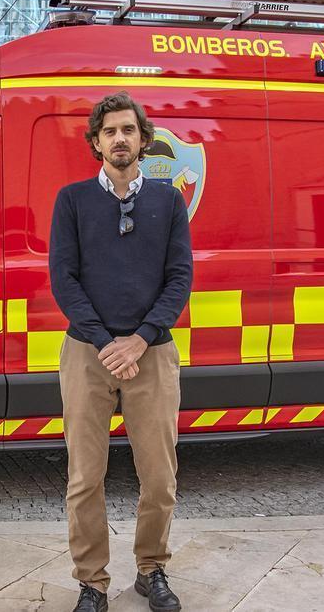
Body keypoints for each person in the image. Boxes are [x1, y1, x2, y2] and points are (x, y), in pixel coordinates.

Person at [50, 92, 193, 612]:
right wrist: (108, 342)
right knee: (85, 476)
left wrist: (141, 337)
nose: (119, 139)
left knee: (159, 475)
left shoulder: (168, 201)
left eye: (128, 130)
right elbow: (63, 280)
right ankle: (92, 582)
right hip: (88, 352)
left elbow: (179, 279)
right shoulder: (72, 201)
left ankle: (152, 570)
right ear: (96, 142)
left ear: (143, 139)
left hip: (151, 353)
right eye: (109, 131)